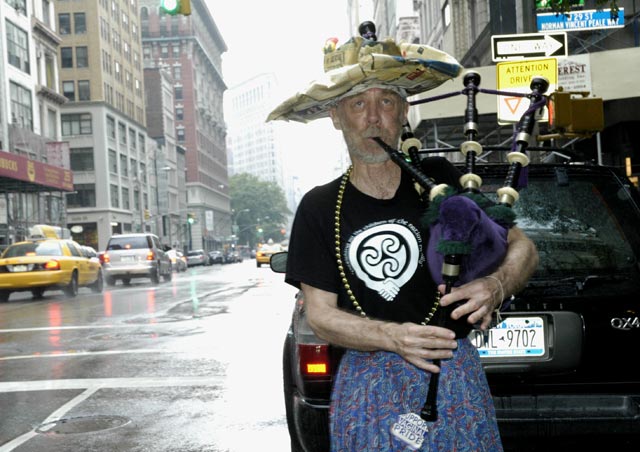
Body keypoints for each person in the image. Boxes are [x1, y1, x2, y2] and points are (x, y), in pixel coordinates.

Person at [268, 26, 539, 451]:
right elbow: (320, 314)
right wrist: (393, 338)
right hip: (367, 385)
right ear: (337, 118)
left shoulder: (444, 183)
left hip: (453, 377)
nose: (373, 117)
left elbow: (523, 246)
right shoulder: (319, 207)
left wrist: (496, 285)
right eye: (358, 103)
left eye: (386, 101)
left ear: (403, 111)